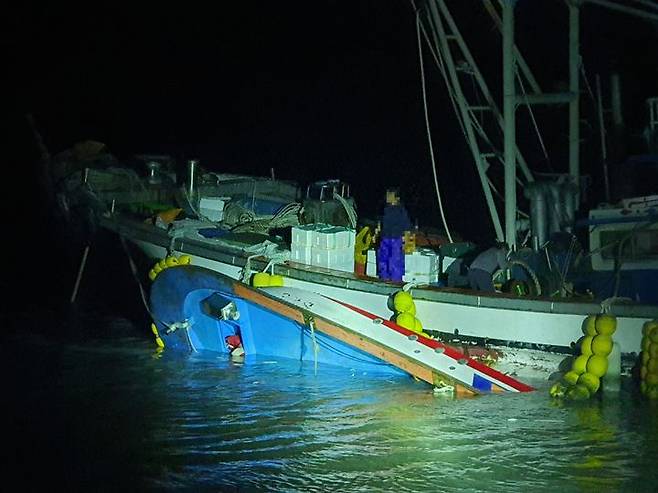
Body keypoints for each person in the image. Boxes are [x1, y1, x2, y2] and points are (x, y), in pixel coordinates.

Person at [377, 188, 412, 282]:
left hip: (396, 240)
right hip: (385, 238)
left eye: (390, 195)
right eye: (387, 195)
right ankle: (383, 280)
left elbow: (407, 227)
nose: (387, 197)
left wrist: (406, 242)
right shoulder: (385, 209)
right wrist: (377, 232)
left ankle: (396, 282)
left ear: (396, 198)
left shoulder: (401, 211)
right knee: (383, 261)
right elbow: (380, 222)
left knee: (395, 263)